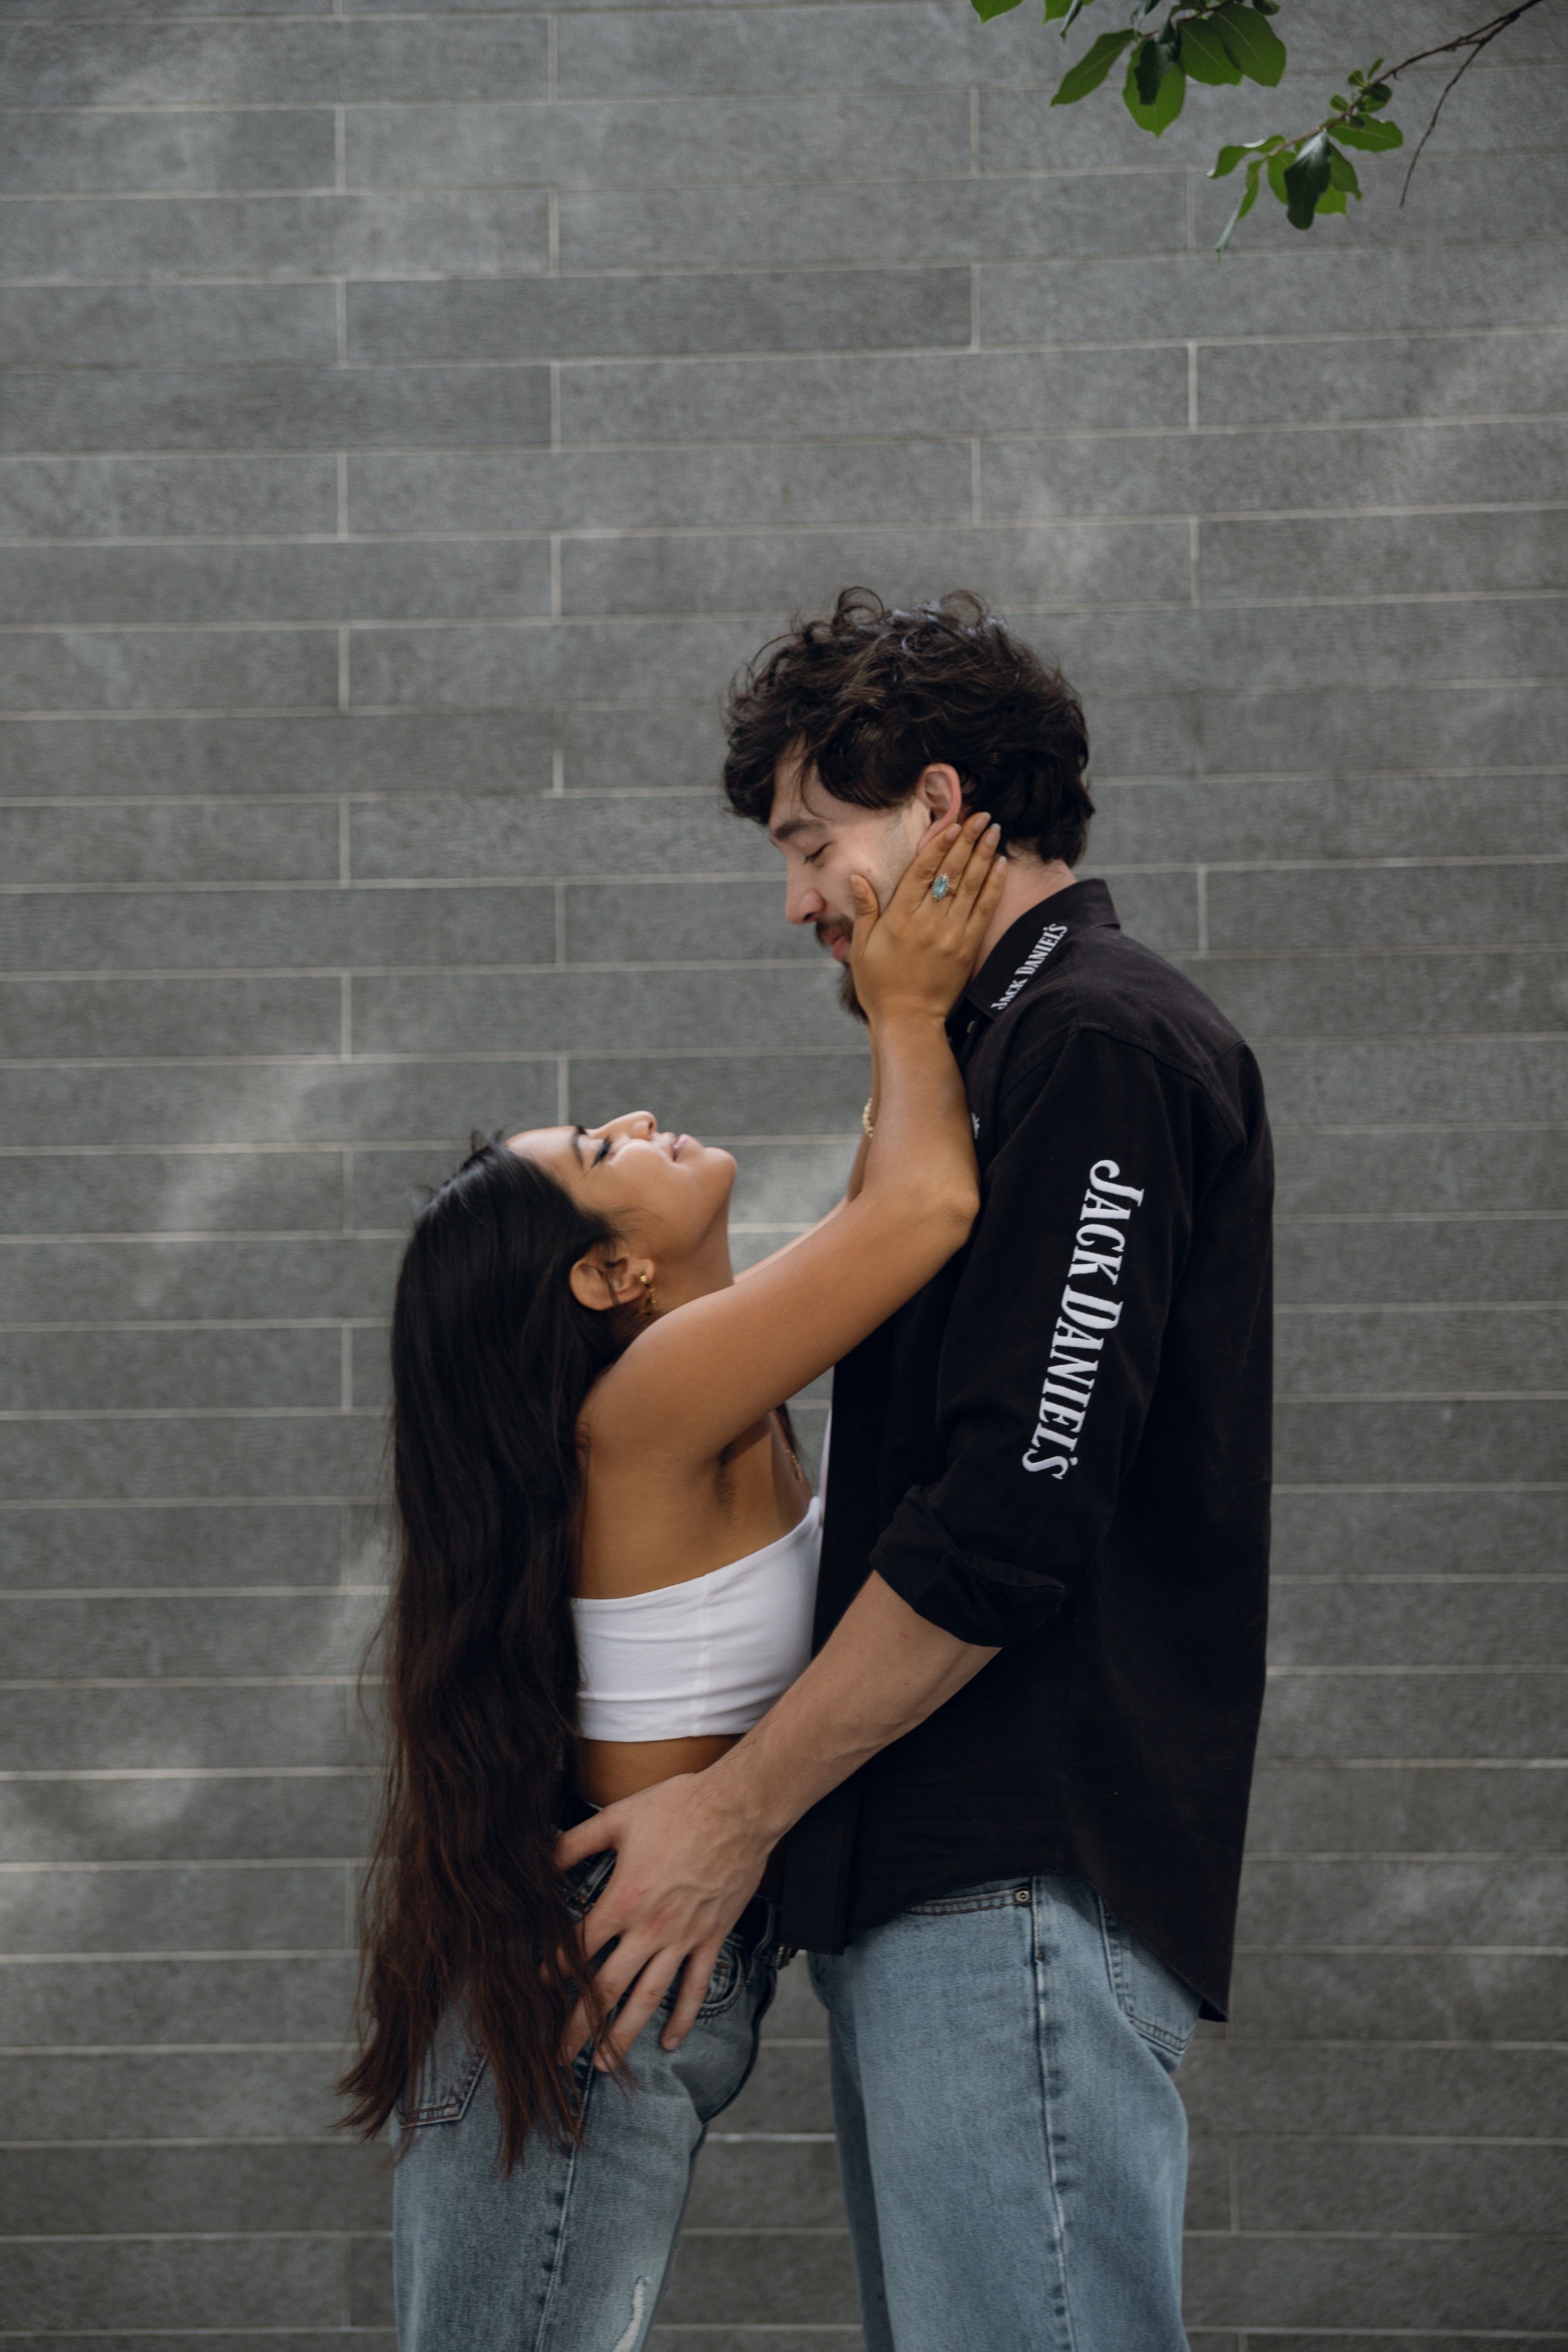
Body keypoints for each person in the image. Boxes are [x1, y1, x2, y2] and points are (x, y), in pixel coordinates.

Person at [554, 589, 1275, 2352]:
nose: (796, 897)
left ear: (940, 805)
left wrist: (733, 1815)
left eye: (813, 841)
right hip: (945, 1883)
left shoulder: (1095, 1040)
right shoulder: (982, 1054)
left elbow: (1007, 1519)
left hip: (1015, 1868)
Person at [337, 809, 1007, 2349]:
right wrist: (902, 1005)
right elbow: (919, 1209)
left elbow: (886, 1198)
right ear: (607, 1275)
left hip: (627, 1979)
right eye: (601, 1151)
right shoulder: (643, 1409)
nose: (637, 1118)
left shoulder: (703, 1395)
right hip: (590, 1987)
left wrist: (902, 978)